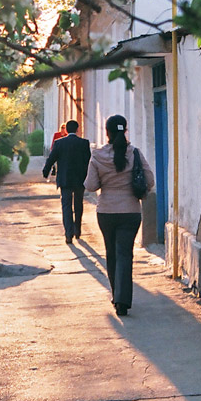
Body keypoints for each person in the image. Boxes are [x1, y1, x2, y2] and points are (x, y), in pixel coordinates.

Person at [84, 114, 154, 316]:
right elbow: (149, 180)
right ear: (125, 132)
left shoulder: (98, 156)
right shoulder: (135, 154)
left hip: (106, 212)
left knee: (112, 254)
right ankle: (123, 300)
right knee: (125, 253)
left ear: (107, 132)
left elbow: (90, 185)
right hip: (131, 211)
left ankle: (116, 296)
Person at [42, 119, 91, 244]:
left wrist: (45, 171)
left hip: (65, 179)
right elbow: (88, 161)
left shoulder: (59, 143)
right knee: (78, 205)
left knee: (66, 206)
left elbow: (51, 158)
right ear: (77, 129)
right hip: (80, 179)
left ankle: (68, 234)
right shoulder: (84, 143)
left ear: (66, 130)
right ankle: (78, 230)